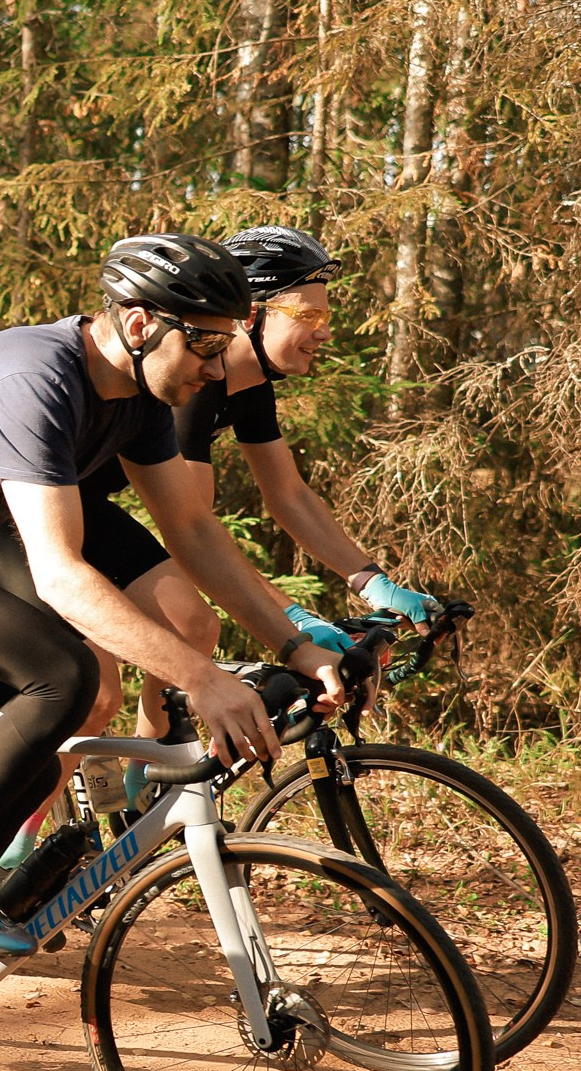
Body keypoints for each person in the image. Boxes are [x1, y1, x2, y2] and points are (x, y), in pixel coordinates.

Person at [0, 233, 351, 955]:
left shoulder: (139, 393)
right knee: (65, 677)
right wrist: (202, 680)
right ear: (140, 324)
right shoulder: (34, 379)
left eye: (225, 346)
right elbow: (60, 574)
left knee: (39, 755)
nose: (218, 369)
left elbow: (192, 529)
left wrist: (294, 642)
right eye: (205, 345)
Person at [75, 226, 445, 746]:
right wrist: (291, 620)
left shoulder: (249, 385)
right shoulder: (192, 390)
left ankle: (148, 770)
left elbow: (288, 495)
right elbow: (191, 534)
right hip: (47, 511)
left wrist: (374, 583)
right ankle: (109, 779)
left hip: (89, 506)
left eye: (326, 317)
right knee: (96, 697)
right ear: (251, 315)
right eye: (308, 317)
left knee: (192, 629)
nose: (324, 333)